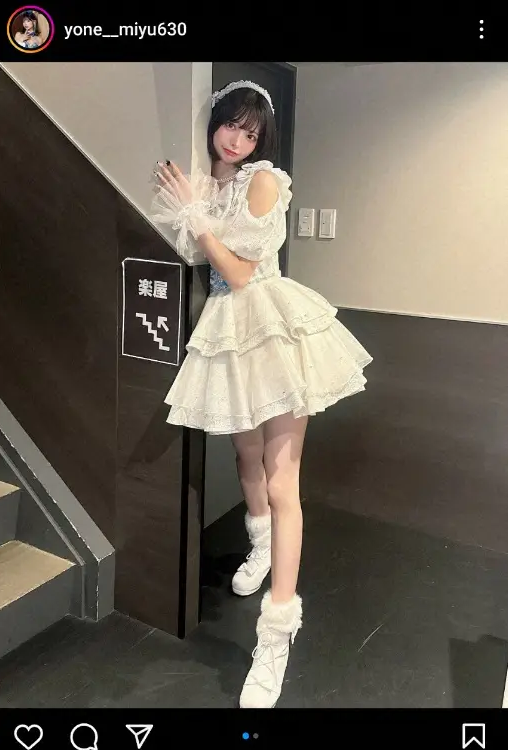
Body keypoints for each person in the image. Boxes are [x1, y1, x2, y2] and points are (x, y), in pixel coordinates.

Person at [150, 80, 373, 708]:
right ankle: (262, 545)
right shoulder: (211, 183)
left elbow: (241, 273)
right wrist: (195, 208)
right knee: (243, 456)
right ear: (215, 123)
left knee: (281, 481)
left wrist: (198, 219)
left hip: (271, 325)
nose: (237, 141)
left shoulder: (264, 181)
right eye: (231, 126)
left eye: (250, 134)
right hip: (226, 331)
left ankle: (276, 634)